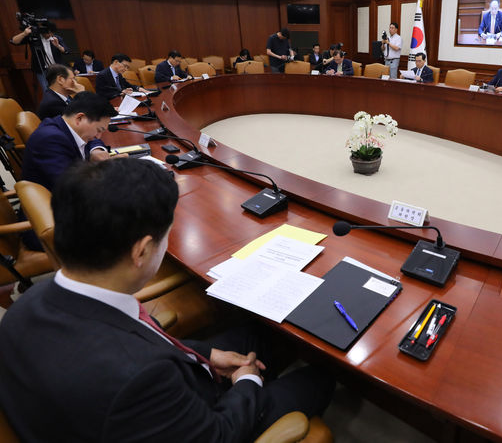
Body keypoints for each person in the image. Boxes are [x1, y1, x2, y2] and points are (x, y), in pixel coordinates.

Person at [0, 157, 335, 442]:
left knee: (258, 335)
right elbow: (217, 434)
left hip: (141, 403)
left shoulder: (29, 303)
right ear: (142, 251)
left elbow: (141, 339)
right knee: (320, 375)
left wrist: (208, 355)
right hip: (199, 417)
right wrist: (246, 381)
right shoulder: (138, 378)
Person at [22, 91, 112, 192]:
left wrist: (96, 150)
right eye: (99, 130)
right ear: (79, 118)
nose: (98, 136)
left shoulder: (67, 127)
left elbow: (92, 142)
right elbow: (72, 188)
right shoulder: (50, 140)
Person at [10, 21, 68, 91]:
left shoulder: (56, 38)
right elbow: (13, 41)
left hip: (57, 68)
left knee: (63, 88)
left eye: (51, 33)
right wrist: (24, 33)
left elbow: (66, 51)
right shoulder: (35, 38)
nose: (49, 35)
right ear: (42, 32)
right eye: (47, 33)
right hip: (42, 70)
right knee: (47, 90)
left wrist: (58, 46)